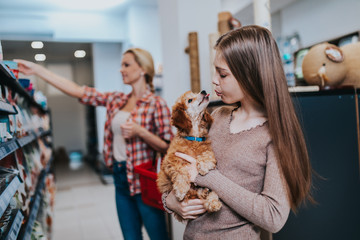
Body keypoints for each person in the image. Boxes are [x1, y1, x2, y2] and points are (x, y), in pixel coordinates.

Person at [163, 25, 313, 239]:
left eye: (222, 74)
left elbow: (273, 217)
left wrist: (209, 177)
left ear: (250, 75)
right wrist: (170, 202)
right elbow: (180, 166)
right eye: (215, 70)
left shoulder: (274, 136)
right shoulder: (219, 116)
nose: (214, 79)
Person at [15, 48, 173, 240]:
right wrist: (38, 70)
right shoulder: (117, 100)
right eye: (121, 65)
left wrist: (141, 132)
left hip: (145, 181)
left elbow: (168, 146)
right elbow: (77, 90)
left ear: (142, 69)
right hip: (121, 177)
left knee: (159, 237)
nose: (121, 69)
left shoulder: (157, 104)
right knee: (131, 237)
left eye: (126, 64)